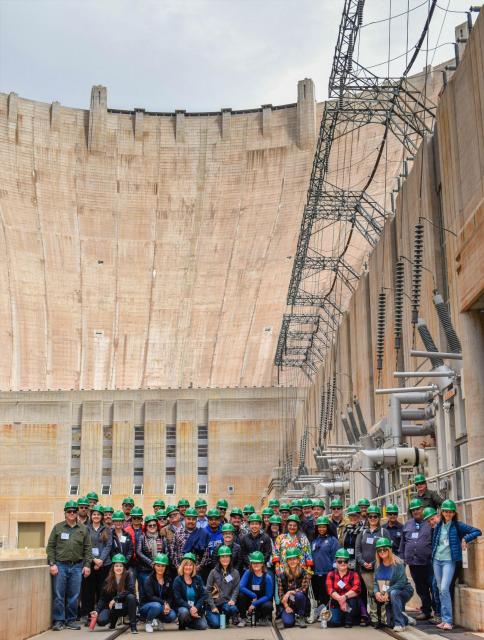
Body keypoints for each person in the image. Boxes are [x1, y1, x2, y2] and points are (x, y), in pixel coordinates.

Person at [431, 499, 481, 630]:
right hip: (437, 560)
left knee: (444, 588)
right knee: (439, 588)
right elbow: (435, 542)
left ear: (454, 513)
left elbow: (477, 531)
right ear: (442, 512)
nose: (448, 513)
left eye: (450, 511)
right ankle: (443, 619)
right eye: (445, 511)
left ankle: (448, 621)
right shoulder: (438, 526)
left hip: (449, 561)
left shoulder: (458, 525)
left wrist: (465, 538)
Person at [47, 500, 92, 631]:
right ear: (65, 513)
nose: (72, 513)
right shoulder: (58, 527)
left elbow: (87, 549)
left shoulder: (83, 529)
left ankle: (71, 620)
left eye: (74, 511)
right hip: (60, 565)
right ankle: (59, 620)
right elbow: (50, 547)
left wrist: (87, 565)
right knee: (59, 595)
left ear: (77, 513)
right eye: (69, 511)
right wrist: (52, 563)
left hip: (77, 566)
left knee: (74, 595)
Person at [399, 498, 435, 621]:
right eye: (413, 510)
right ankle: (426, 611)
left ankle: (438, 612)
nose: (416, 511)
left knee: (433, 586)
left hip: (428, 562)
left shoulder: (430, 522)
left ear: (422, 509)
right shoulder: (408, 524)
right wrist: (402, 558)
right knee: (421, 588)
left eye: (418, 509)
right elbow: (403, 543)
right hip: (414, 563)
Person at [355, 505, 389, 625]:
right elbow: (357, 550)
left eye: (375, 516)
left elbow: (388, 550)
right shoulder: (362, 532)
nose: (372, 518)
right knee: (371, 593)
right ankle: (374, 617)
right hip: (366, 569)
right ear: (367, 518)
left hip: (381, 568)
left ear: (379, 517)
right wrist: (363, 563)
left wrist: (375, 563)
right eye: (370, 516)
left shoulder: (384, 532)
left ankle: (384, 618)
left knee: (383, 592)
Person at [90, 553, 138, 635]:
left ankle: (133, 626)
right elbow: (103, 598)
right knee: (101, 621)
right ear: (113, 567)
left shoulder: (129, 575)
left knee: (131, 597)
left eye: (120, 566)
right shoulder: (108, 579)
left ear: (124, 567)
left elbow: (130, 590)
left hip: (125, 606)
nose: (118, 568)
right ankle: (113, 622)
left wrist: (116, 599)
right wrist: (97, 611)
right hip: (113, 607)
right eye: (116, 566)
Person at [80, 505, 112, 626]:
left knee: (102, 591)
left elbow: (109, 546)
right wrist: (93, 560)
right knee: (88, 591)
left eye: (98, 514)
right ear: (91, 516)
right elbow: (84, 546)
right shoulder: (85, 529)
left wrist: (101, 560)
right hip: (89, 563)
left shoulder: (107, 529)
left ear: (102, 516)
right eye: (94, 514)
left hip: (105, 565)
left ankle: (101, 616)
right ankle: (86, 616)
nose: (96, 516)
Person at [373, 538, 414, 631]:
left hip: (403, 590)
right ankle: (405, 618)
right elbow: (375, 582)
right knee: (390, 623)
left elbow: (402, 582)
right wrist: (377, 593)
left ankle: (400, 624)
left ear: (389, 549)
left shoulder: (398, 562)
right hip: (387, 592)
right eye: (379, 550)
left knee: (394, 593)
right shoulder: (377, 564)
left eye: (385, 549)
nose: (382, 552)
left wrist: (387, 591)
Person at [139, 553, 177, 633]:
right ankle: (148, 623)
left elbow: (170, 596)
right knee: (157, 605)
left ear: (166, 567)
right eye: (158, 565)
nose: (160, 568)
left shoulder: (168, 579)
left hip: (162, 606)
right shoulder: (148, 579)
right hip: (146, 607)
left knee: (172, 615)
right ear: (154, 566)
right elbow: (151, 597)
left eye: (163, 566)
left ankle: (159, 619)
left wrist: (168, 605)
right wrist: (164, 603)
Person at [206, 545, 241, 628]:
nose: (225, 559)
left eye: (227, 556)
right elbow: (208, 591)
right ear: (219, 558)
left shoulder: (235, 573)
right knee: (216, 624)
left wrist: (233, 599)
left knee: (233, 609)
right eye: (222, 557)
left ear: (230, 558)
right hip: (214, 604)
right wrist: (213, 606)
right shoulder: (213, 572)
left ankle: (226, 616)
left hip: (226, 603)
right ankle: (208, 615)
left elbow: (236, 588)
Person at [326, 548, 361, 628]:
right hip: (336, 602)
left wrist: (344, 597)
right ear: (336, 562)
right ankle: (342, 617)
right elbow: (330, 590)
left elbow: (357, 589)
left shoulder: (354, 574)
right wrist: (340, 600)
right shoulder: (331, 574)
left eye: (345, 561)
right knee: (332, 623)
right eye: (340, 561)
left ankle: (348, 620)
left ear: (348, 562)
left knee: (352, 602)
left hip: (349, 602)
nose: (343, 563)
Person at [173, 552, 208, 630]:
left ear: (193, 567)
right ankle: (182, 622)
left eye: (190, 565)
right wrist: (190, 608)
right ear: (182, 566)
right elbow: (178, 599)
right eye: (186, 564)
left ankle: (188, 623)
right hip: (184, 608)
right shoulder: (177, 580)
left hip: (196, 609)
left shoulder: (198, 579)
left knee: (203, 626)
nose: (188, 567)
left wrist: (196, 607)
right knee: (184, 612)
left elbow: (203, 595)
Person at [238, 551, 274, 626]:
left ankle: (263, 618)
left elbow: (268, 596)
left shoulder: (267, 577)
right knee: (241, 595)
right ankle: (243, 618)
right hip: (250, 600)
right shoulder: (248, 573)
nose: (256, 565)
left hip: (261, 601)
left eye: (258, 562)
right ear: (251, 564)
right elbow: (240, 586)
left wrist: (255, 603)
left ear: (262, 564)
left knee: (268, 605)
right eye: (253, 563)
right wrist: (253, 595)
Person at [277, 547, 311, 628]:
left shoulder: (305, 573)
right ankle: (289, 615)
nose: (292, 561)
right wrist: (286, 606)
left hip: (301, 603)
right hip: (288, 603)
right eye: (289, 559)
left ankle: (301, 616)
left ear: (298, 560)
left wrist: (289, 592)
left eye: (294, 559)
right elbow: (281, 594)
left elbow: (303, 589)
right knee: (288, 623)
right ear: (287, 561)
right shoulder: (281, 575)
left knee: (299, 595)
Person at [311, 515, 340, 607]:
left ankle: (326, 613)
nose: (321, 529)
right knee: (318, 595)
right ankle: (320, 611)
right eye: (319, 527)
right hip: (315, 573)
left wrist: (334, 571)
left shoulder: (333, 540)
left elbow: (336, 557)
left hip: (327, 573)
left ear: (327, 527)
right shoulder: (314, 540)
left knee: (326, 594)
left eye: (323, 526)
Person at [136, 514, 168, 599]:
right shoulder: (142, 537)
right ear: (146, 527)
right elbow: (138, 552)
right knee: (143, 591)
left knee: (157, 591)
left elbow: (167, 552)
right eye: (150, 525)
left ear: (157, 526)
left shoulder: (162, 537)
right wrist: (151, 563)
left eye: (154, 525)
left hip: (160, 570)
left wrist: (160, 562)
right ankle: (142, 607)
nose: (152, 527)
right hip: (145, 569)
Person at [168, 507, 210, 571]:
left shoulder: (203, 533)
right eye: (188, 519)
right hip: (181, 570)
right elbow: (173, 553)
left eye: (193, 519)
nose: (191, 521)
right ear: (184, 519)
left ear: (196, 520)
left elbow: (206, 554)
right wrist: (178, 567)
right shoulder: (178, 533)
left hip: (198, 571)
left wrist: (198, 567)